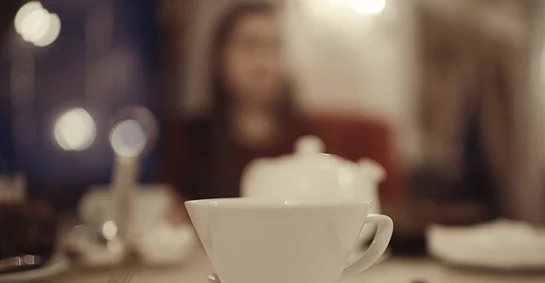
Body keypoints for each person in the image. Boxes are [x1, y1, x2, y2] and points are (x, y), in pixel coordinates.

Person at [162, 1, 402, 222]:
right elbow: (171, 217)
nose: (263, 62)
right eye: (250, 45)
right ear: (219, 57)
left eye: (274, 47)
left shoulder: (310, 137)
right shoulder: (190, 138)